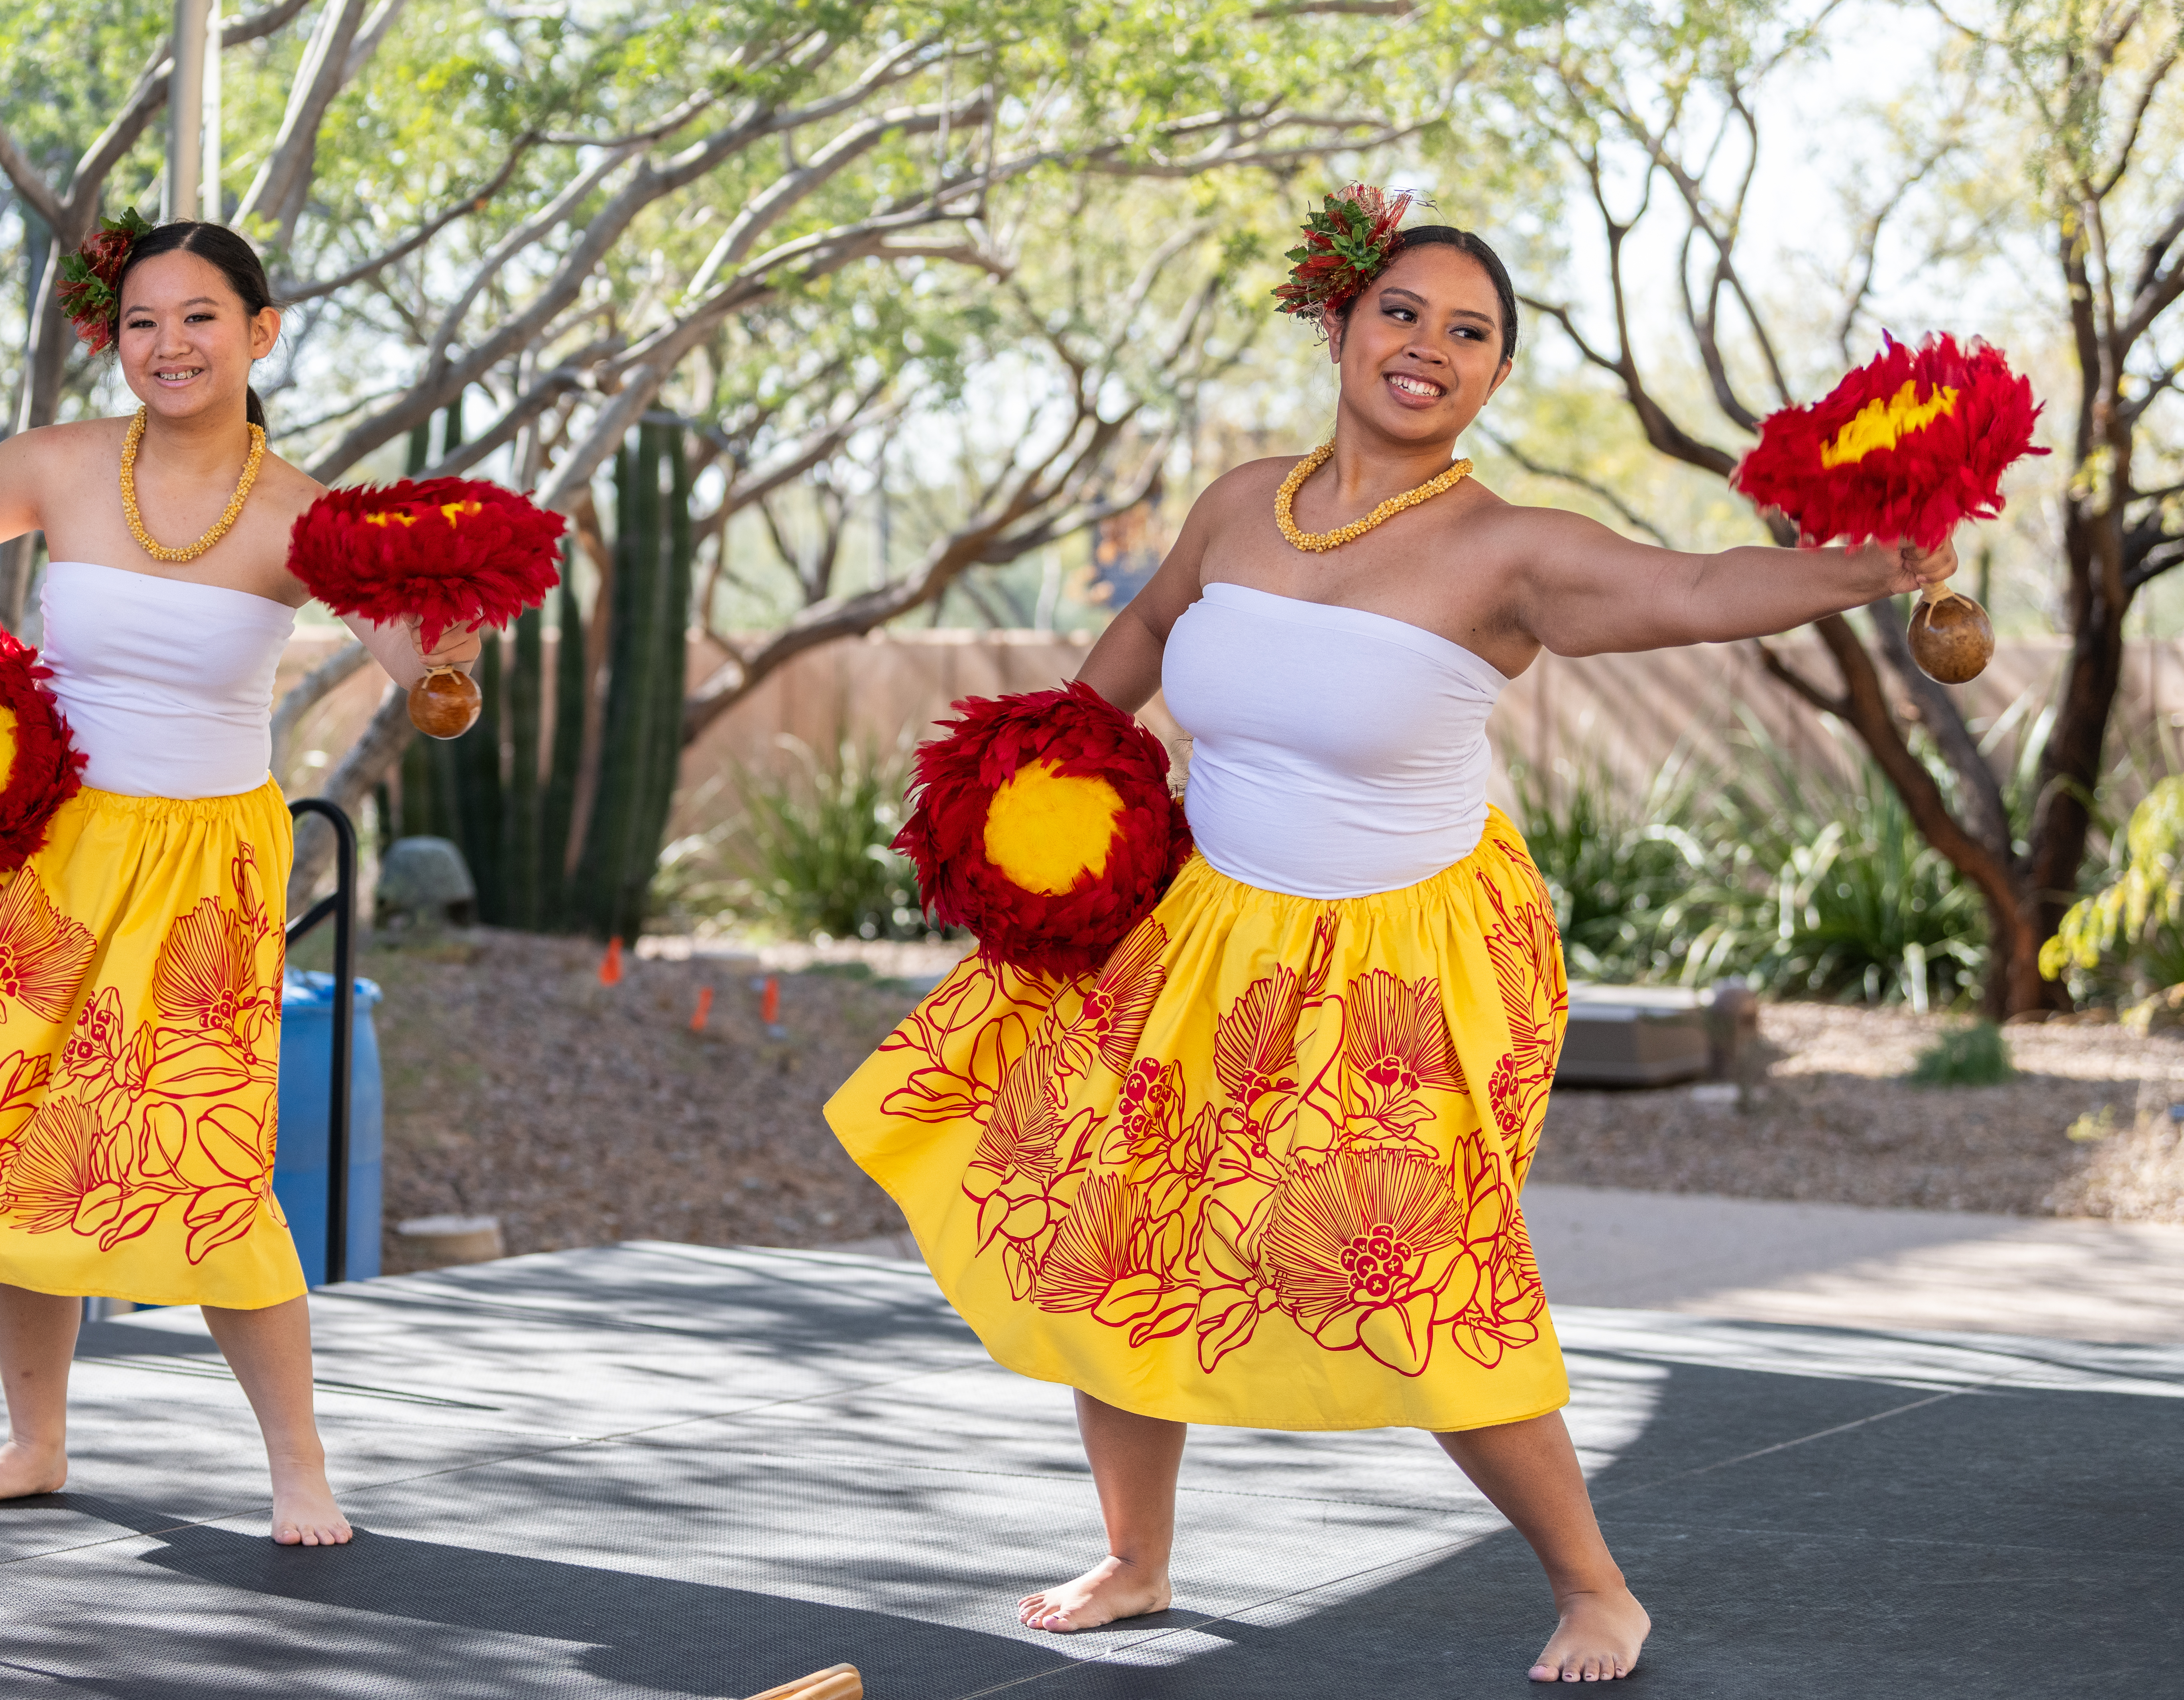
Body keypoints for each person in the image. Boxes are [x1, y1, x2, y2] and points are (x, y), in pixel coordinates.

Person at [825, 191, 1957, 1681]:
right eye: (1404, 313)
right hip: (1201, 926)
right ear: (1344, 324)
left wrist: (1871, 567)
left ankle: (1595, 1586)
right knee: (1118, 1231)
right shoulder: (1241, 501)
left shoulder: (1510, 551)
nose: (1428, 346)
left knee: (1411, 1272)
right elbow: (1157, 625)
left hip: (1399, 955)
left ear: (1494, 378)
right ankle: (1136, 1556)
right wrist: (1049, 764)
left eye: (1469, 334)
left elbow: (1693, 588)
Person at [0, 218, 472, 1545]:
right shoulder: (68, 465)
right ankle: (35, 1439)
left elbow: (417, 668)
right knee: (14, 1149)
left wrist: (444, 669)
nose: (170, 344)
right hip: (36, 855)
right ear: (114, 339)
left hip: (197, 880)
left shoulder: (308, 513)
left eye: (200, 317)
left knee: (207, 1168)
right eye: (142, 321)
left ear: (262, 330)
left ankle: (299, 1465)